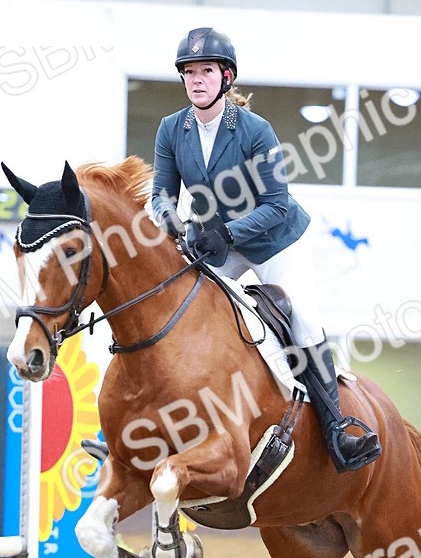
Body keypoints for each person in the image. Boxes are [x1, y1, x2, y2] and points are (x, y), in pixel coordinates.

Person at [150, 26, 381, 472]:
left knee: (304, 320)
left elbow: (276, 204)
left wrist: (230, 234)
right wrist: (171, 219)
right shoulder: (170, 129)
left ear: (226, 77)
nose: (197, 80)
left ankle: (337, 429)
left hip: (275, 241)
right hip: (217, 242)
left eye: (206, 71)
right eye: (189, 72)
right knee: (175, 307)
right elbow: (160, 192)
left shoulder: (256, 130)